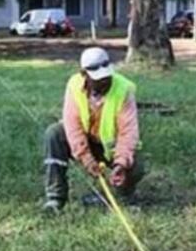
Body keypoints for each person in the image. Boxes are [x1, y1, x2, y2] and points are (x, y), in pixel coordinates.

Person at [42, 47, 145, 212]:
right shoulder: (74, 85)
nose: (104, 81)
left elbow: (129, 133)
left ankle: (122, 196)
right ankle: (55, 198)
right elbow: (73, 126)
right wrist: (87, 159)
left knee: (136, 166)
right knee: (54, 133)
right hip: (85, 141)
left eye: (107, 76)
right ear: (84, 75)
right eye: (98, 78)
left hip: (110, 148)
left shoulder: (124, 89)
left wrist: (120, 163)